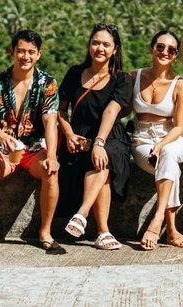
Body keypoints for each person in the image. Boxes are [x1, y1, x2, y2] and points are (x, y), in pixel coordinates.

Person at [0, 29, 63, 254]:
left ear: (39, 54)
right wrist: (2, 136)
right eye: (21, 51)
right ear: (12, 52)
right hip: (4, 147)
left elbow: (50, 122)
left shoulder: (47, 83)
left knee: (51, 171)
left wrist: (51, 156)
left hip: (34, 148)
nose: (25, 56)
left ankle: (45, 232)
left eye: (31, 52)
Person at [59, 22, 133, 251]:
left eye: (106, 45)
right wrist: (69, 133)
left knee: (103, 158)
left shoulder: (122, 79)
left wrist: (99, 143)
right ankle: (103, 231)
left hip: (110, 134)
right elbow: (60, 110)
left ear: (115, 49)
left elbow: (111, 112)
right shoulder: (74, 73)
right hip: (78, 135)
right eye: (96, 43)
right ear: (89, 45)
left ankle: (82, 214)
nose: (100, 48)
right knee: (102, 167)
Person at [129, 30, 183, 250]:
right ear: (151, 49)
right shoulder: (134, 77)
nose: (165, 52)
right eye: (160, 47)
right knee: (170, 166)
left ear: (175, 55)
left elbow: (179, 126)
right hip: (142, 140)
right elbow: (119, 107)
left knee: (167, 154)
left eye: (171, 50)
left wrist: (161, 144)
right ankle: (172, 232)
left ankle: (157, 219)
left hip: (172, 139)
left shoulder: (180, 85)